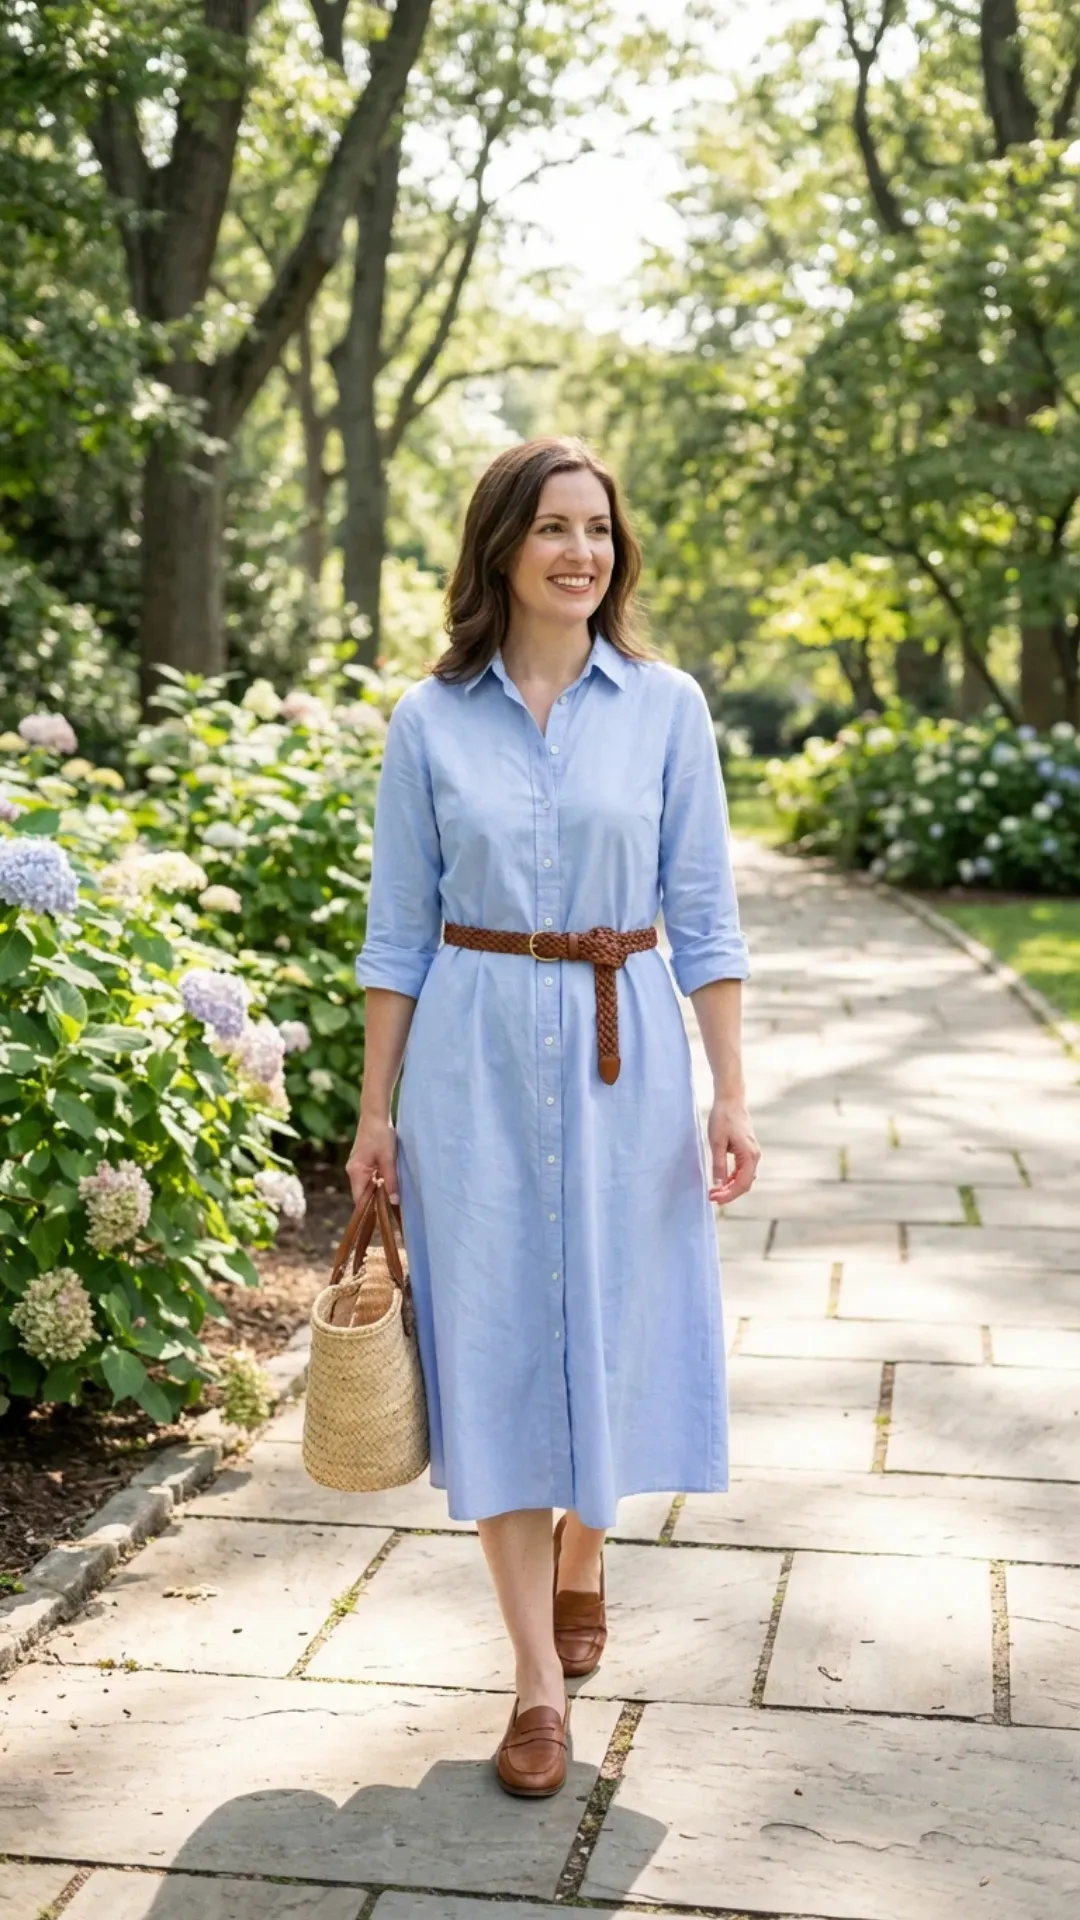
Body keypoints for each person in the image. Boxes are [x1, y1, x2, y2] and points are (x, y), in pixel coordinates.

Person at [347, 435, 759, 1799]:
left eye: (600, 529)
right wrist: (372, 1117)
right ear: (503, 548)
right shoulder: (430, 720)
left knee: (617, 1326)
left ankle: (591, 1545)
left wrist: (729, 1093)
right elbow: (398, 931)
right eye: (555, 529)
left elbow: (701, 913)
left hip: (619, 1051)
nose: (584, 552)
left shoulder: (665, 705)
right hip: (467, 1061)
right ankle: (534, 1685)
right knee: (498, 1346)